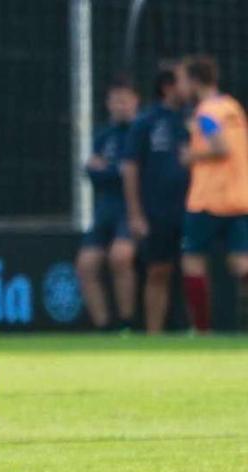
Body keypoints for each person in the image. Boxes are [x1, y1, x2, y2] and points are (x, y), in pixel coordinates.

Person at [177, 56, 248, 332]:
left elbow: (220, 147)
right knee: (241, 263)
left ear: (195, 81)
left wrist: (190, 155)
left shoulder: (206, 112)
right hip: (238, 198)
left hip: (207, 199)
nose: (181, 87)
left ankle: (201, 330)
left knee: (192, 262)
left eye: (183, 80)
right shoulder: (233, 107)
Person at [121, 64, 190, 335]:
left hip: (191, 209)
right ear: (168, 86)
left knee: (190, 269)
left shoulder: (195, 118)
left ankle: (194, 329)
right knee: (157, 271)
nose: (189, 86)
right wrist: (136, 214)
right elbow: (130, 168)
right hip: (157, 211)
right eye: (184, 80)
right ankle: (154, 334)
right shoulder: (146, 122)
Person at [75, 78, 139, 331]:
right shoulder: (104, 136)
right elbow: (91, 171)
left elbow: (132, 174)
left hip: (131, 209)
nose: (119, 105)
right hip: (105, 209)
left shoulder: (140, 131)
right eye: (115, 100)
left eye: (125, 99)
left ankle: (127, 323)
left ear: (136, 101)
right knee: (86, 264)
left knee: (120, 257)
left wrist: (110, 170)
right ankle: (103, 327)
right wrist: (115, 171)